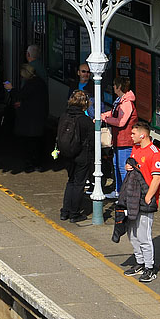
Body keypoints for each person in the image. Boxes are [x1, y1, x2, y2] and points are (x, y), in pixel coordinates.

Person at [123, 120, 160, 283]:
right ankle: (139, 262)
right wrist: (128, 167)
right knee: (132, 232)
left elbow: (156, 178)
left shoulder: (155, 153)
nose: (131, 136)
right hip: (134, 196)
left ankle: (149, 267)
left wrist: (149, 197)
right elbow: (134, 164)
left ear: (142, 134)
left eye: (133, 133)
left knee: (143, 234)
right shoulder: (136, 148)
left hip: (145, 198)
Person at [57, 89, 94, 221]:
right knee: (79, 184)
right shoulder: (85, 121)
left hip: (67, 154)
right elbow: (92, 141)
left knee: (70, 182)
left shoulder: (64, 116)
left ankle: (64, 212)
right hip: (82, 156)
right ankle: (74, 213)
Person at [9, 63, 50, 171]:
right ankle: (38, 163)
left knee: (30, 143)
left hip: (30, 119)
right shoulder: (41, 83)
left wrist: (10, 89)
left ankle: (31, 163)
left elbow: (21, 95)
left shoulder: (30, 84)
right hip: (39, 116)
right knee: (38, 142)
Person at [101, 76, 136, 198]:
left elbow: (121, 122)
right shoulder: (119, 101)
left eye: (115, 85)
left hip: (125, 141)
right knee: (116, 166)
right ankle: (118, 191)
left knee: (123, 168)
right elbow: (113, 113)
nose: (113, 88)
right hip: (118, 140)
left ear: (119, 87)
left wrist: (106, 119)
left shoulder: (126, 104)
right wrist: (103, 115)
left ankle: (125, 194)